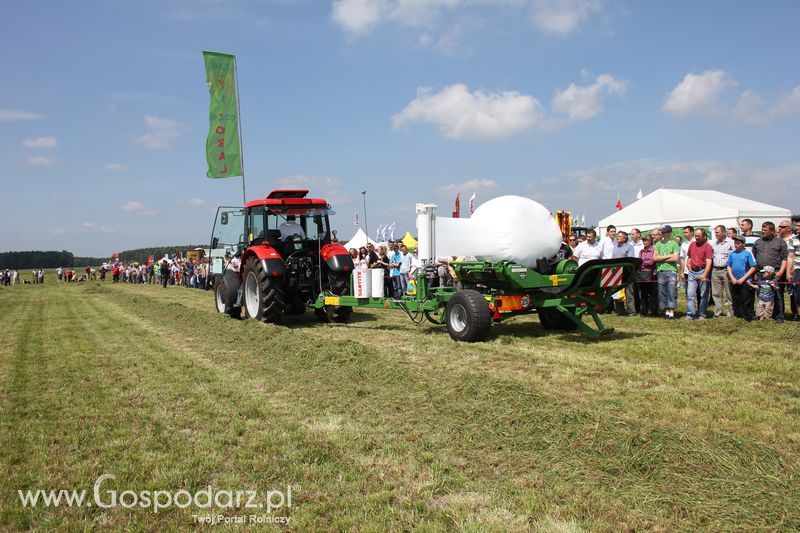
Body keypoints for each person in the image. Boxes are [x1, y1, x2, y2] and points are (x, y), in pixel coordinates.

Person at [752, 221, 788, 323]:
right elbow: (753, 258)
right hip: (760, 273)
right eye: (762, 230)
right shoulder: (758, 242)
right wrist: (754, 272)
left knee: (777, 295)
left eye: (765, 230)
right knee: (761, 295)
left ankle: (778, 316)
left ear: (772, 230)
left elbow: (784, 258)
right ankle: (761, 315)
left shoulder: (780, 242)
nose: (763, 232)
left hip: (775, 272)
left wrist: (781, 271)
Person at [726, 235, 757, 321]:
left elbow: (753, 267)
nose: (736, 245)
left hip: (746, 281)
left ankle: (747, 317)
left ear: (743, 244)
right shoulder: (732, 254)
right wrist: (732, 278)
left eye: (738, 243)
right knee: (736, 298)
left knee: (746, 299)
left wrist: (743, 278)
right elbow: (728, 266)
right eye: (735, 243)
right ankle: (738, 315)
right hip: (735, 281)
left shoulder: (748, 253)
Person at [685, 228, 713, 320]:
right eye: (695, 236)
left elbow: (709, 262)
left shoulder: (708, 246)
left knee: (703, 295)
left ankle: (702, 314)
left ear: (704, 236)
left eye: (698, 236)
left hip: (703, 270)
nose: (696, 238)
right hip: (692, 272)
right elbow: (689, 257)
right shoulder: (692, 245)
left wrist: (705, 274)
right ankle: (690, 314)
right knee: (690, 294)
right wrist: (688, 264)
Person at [654, 225, 679, 319]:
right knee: (662, 291)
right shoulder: (658, 244)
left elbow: (675, 258)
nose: (662, 233)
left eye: (664, 232)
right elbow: (655, 258)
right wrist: (669, 256)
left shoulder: (674, 244)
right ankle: (666, 311)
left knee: (672, 291)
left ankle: (672, 311)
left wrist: (661, 259)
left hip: (671, 270)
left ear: (669, 233)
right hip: (661, 270)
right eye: (662, 232)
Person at [710, 225, 735, 317]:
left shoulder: (731, 242)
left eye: (717, 232)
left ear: (723, 232)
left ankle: (731, 312)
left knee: (729, 292)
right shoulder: (713, 243)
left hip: (726, 270)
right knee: (716, 293)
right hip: (715, 270)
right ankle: (718, 312)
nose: (715, 234)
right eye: (715, 232)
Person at [777, 219, 797, 320]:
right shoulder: (777, 239)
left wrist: (791, 269)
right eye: (779, 226)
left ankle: (795, 313)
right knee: (779, 291)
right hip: (779, 268)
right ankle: (780, 313)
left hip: (792, 269)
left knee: (793, 292)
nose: (779, 228)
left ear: (789, 229)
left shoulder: (794, 239)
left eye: (782, 227)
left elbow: (793, 256)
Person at [612, 231, 636, 315]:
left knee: (629, 292)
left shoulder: (629, 247)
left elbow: (630, 259)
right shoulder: (615, 247)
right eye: (617, 236)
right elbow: (613, 259)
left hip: (627, 272)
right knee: (617, 292)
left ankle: (631, 311)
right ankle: (620, 311)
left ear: (625, 238)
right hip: (617, 273)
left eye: (619, 236)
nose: (617, 237)